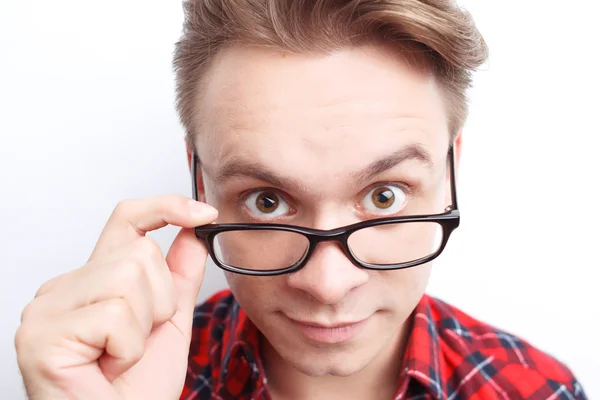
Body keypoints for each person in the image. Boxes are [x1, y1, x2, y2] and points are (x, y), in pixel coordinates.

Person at [14, 0, 588, 399]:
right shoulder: (125, 383)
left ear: (450, 171)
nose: (328, 284)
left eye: (384, 196)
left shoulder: (533, 389)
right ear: (199, 182)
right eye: (267, 200)